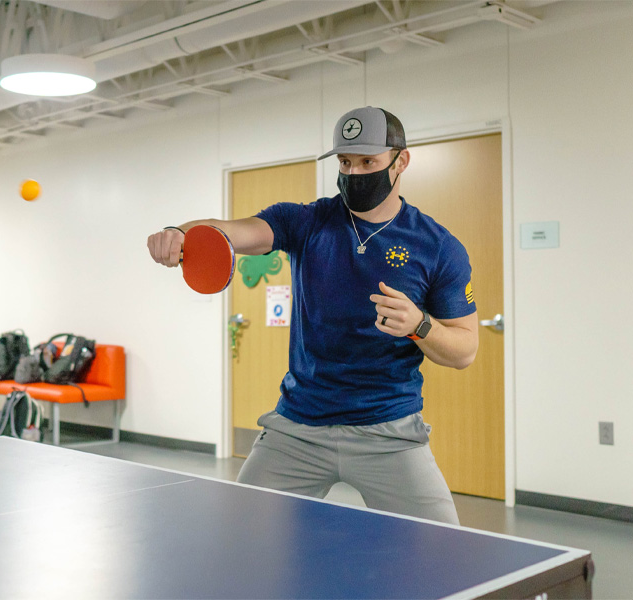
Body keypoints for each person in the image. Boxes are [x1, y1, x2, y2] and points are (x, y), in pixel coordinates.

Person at [146, 106, 478, 525]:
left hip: (389, 432)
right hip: (298, 429)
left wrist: (420, 325)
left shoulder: (438, 246)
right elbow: (228, 230)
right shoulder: (304, 221)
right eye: (345, 162)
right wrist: (179, 232)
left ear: (401, 161)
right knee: (241, 536)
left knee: (443, 551)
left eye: (368, 162)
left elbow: (465, 349)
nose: (354, 174)